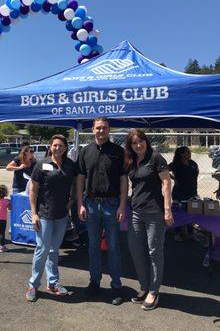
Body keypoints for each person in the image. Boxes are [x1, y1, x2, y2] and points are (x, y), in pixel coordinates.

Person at [77, 117, 128, 305]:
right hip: (90, 204)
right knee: (93, 246)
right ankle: (94, 282)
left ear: (109, 130)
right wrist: (80, 204)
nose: (101, 131)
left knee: (113, 246)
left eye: (104, 128)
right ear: (92, 129)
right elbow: (80, 179)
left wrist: (122, 205)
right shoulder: (85, 151)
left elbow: (124, 180)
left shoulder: (118, 152)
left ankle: (116, 286)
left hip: (111, 204)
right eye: (98, 128)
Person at [125, 129, 173, 311]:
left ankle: (154, 290)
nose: (138, 145)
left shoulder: (156, 158)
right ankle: (144, 286)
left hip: (154, 213)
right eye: (134, 143)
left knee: (154, 252)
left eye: (141, 141)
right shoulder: (131, 160)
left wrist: (167, 209)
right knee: (136, 250)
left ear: (146, 141)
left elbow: (167, 182)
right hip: (136, 212)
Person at [25, 134, 77, 302]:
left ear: (65, 148)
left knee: (54, 250)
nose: (57, 148)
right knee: (42, 249)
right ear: (50, 146)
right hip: (44, 214)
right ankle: (33, 284)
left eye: (61, 145)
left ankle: (53, 283)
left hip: (61, 215)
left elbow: (76, 184)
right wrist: (33, 213)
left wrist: (71, 202)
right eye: (55, 145)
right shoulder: (42, 164)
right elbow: (33, 190)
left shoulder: (70, 165)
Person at [169, 146, 199, 242]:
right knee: (180, 213)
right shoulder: (176, 164)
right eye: (187, 152)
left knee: (192, 212)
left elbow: (195, 175)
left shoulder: (193, 164)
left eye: (190, 152)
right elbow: (163, 170)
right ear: (181, 154)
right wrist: (173, 179)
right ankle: (177, 234)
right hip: (179, 192)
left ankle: (190, 234)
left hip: (192, 192)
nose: (189, 154)